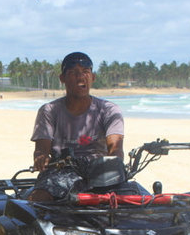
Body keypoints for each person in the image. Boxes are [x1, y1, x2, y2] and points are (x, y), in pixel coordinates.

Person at [30, 52, 124, 201]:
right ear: (62, 79)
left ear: (93, 77)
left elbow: (116, 148)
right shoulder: (49, 111)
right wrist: (40, 158)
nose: (80, 77)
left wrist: (114, 167)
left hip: (99, 171)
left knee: (130, 202)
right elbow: (41, 150)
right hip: (60, 171)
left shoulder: (109, 110)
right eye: (73, 73)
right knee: (38, 200)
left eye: (85, 72)